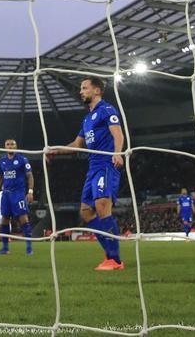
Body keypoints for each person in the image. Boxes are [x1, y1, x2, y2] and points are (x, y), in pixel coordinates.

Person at [45, 76, 124, 271]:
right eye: (81, 88)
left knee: (102, 206)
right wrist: (55, 150)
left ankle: (114, 260)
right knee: (86, 212)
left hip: (106, 163)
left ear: (97, 90)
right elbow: (76, 145)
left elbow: (117, 133)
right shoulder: (87, 119)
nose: (81, 91)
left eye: (85, 88)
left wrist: (117, 152)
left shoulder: (107, 109)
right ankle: (110, 254)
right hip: (92, 168)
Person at [0, 138, 33, 255]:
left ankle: (29, 247)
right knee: (5, 219)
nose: (10, 146)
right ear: (5, 147)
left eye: (12, 144)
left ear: (16, 146)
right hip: (6, 194)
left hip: (18, 193)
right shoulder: (2, 161)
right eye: (7, 144)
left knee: (23, 217)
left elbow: (29, 176)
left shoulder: (22, 159)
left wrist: (30, 191)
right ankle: (5, 248)